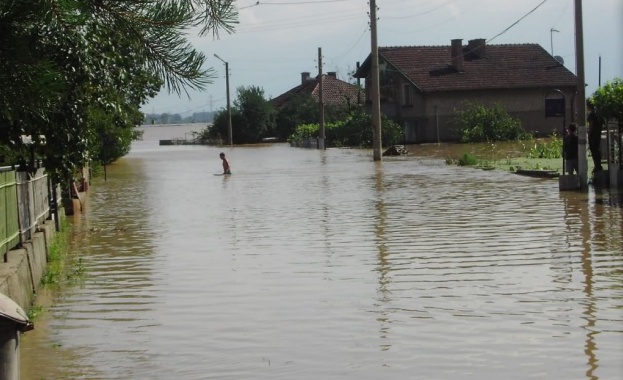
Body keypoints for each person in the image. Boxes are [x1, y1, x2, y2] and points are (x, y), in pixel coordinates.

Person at [586, 99, 603, 172]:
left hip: (593, 135)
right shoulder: (598, 114)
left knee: (594, 150)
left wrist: (589, 134)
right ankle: (598, 165)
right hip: (598, 134)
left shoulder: (591, 114)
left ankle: (597, 166)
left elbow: (591, 125)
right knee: (597, 150)